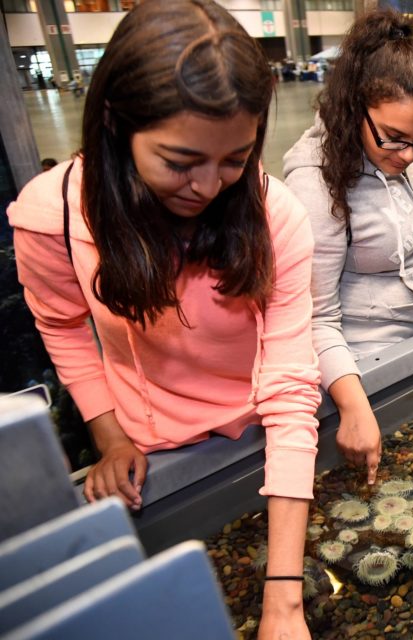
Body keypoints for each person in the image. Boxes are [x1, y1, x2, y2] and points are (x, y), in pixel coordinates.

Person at [8, 1, 321, 636]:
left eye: (234, 159)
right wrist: (109, 436)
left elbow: (289, 389)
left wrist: (283, 597)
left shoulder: (274, 214)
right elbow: (63, 325)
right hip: (147, 440)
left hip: (262, 434)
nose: (208, 186)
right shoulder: (52, 215)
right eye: (180, 161)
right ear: (117, 127)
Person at [283, 9, 413, 484]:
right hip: (358, 369)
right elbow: (314, 318)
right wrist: (354, 406)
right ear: (355, 107)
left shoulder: (402, 151)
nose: (408, 155)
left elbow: (403, 205)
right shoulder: (316, 186)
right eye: (395, 139)